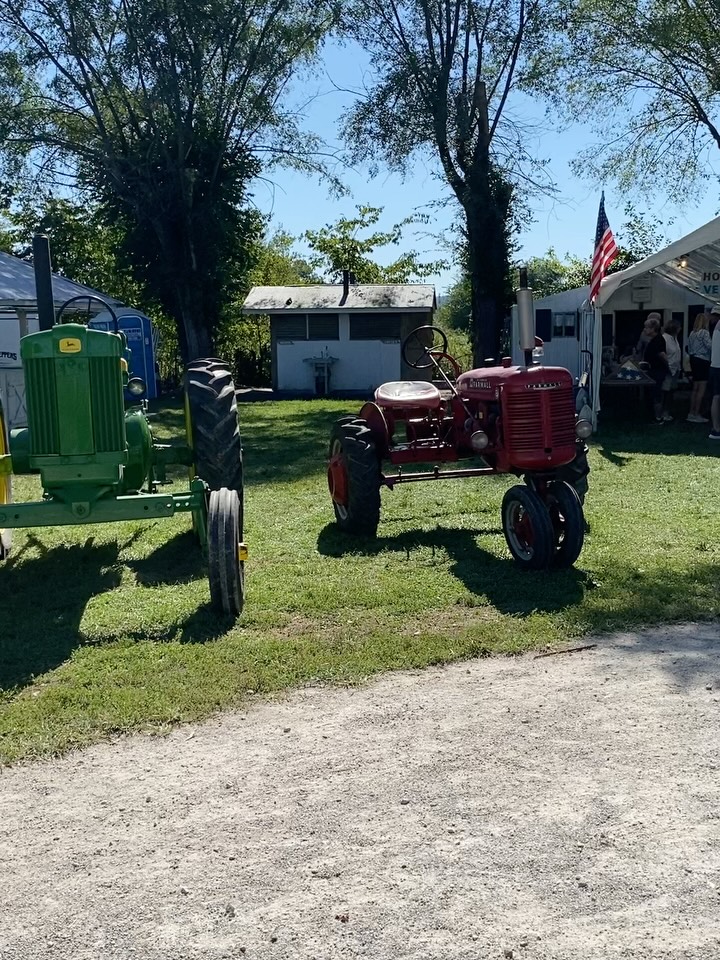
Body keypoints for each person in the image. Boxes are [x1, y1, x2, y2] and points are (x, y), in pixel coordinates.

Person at [643, 315, 671, 423]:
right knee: (653, 393)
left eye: (646, 327)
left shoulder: (658, 340)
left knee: (656, 393)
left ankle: (658, 417)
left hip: (657, 371)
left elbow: (662, 355)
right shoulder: (654, 339)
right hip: (653, 370)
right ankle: (654, 415)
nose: (645, 330)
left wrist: (668, 366)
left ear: (653, 329)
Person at [686, 311, 712, 422]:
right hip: (703, 360)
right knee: (702, 388)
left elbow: (689, 348)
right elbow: (710, 346)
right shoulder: (704, 333)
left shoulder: (692, 333)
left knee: (695, 388)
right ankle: (697, 413)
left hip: (693, 359)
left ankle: (691, 412)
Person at [660, 319, 681, 421]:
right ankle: (663, 412)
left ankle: (667, 411)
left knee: (671, 391)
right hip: (668, 369)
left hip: (675, 369)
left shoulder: (675, 338)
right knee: (666, 392)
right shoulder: (665, 339)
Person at [709, 307, 720, 439]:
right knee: (717, 397)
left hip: (715, 366)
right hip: (718, 366)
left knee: (716, 396)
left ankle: (716, 428)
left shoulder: (716, 327)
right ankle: (716, 429)